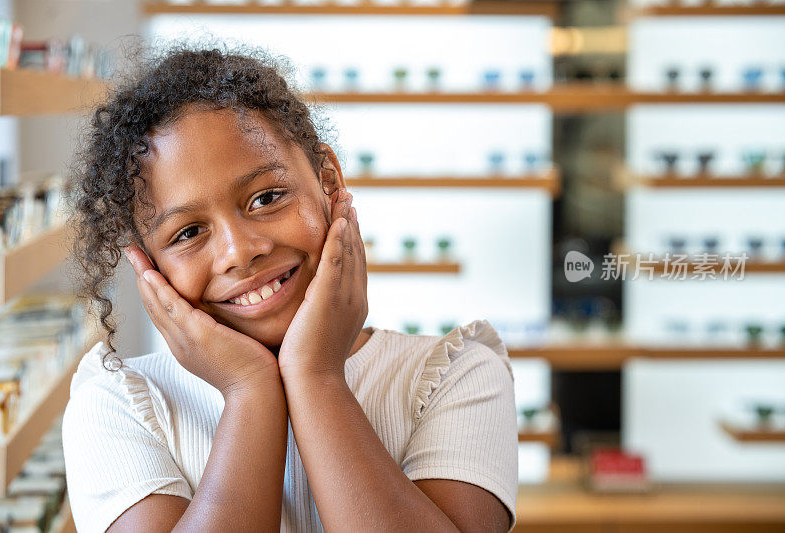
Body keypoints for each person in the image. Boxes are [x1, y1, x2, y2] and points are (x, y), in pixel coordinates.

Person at [62, 45, 519, 532]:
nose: (240, 251)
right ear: (149, 264)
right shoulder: (118, 408)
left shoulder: (459, 375)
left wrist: (316, 376)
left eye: (266, 198)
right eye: (188, 233)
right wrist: (249, 392)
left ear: (327, 180)